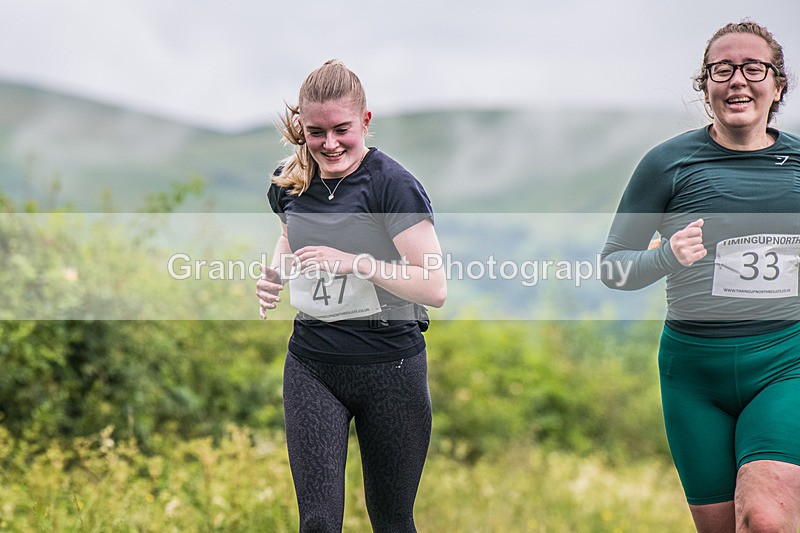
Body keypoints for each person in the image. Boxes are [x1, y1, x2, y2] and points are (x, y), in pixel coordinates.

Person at [601, 21, 800, 533]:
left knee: (764, 519)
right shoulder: (668, 163)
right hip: (693, 374)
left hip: (786, 362)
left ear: (777, 85)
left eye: (754, 68)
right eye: (722, 69)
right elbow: (614, 267)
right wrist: (666, 256)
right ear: (705, 85)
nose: (738, 79)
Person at [255, 59, 446, 533]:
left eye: (341, 129)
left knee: (391, 520)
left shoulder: (392, 185)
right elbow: (289, 237)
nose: (329, 144)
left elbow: (435, 288)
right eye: (315, 132)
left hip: (391, 368)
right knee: (317, 523)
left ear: (365, 120)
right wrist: (275, 274)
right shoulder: (289, 180)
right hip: (312, 364)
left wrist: (356, 262)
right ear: (302, 126)